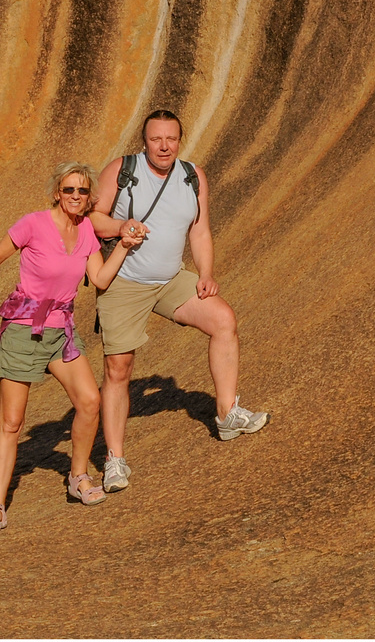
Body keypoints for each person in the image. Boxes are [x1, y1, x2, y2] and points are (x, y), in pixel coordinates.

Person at [0, 161, 144, 535]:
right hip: (22, 331)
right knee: (12, 423)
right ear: (56, 193)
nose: (76, 197)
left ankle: (78, 477)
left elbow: (98, 279)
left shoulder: (86, 234)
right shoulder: (33, 224)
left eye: (83, 192)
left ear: (90, 198)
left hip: (61, 331)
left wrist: (124, 249)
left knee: (90, 402)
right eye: (69, 190)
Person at [87, 109, 268, 493]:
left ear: (179, 140)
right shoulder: (123, 170)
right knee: (119, 369)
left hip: (170, 278)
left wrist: (205, 273)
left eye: (171, 138)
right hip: (125, 281)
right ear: (145, 141)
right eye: (156, 139)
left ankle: (226, 414)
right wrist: (121, 227)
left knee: (223, 321)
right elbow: (92, 219)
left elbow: (200, 231)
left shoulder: (192, 175)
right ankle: (115, 460)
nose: (164, 146)